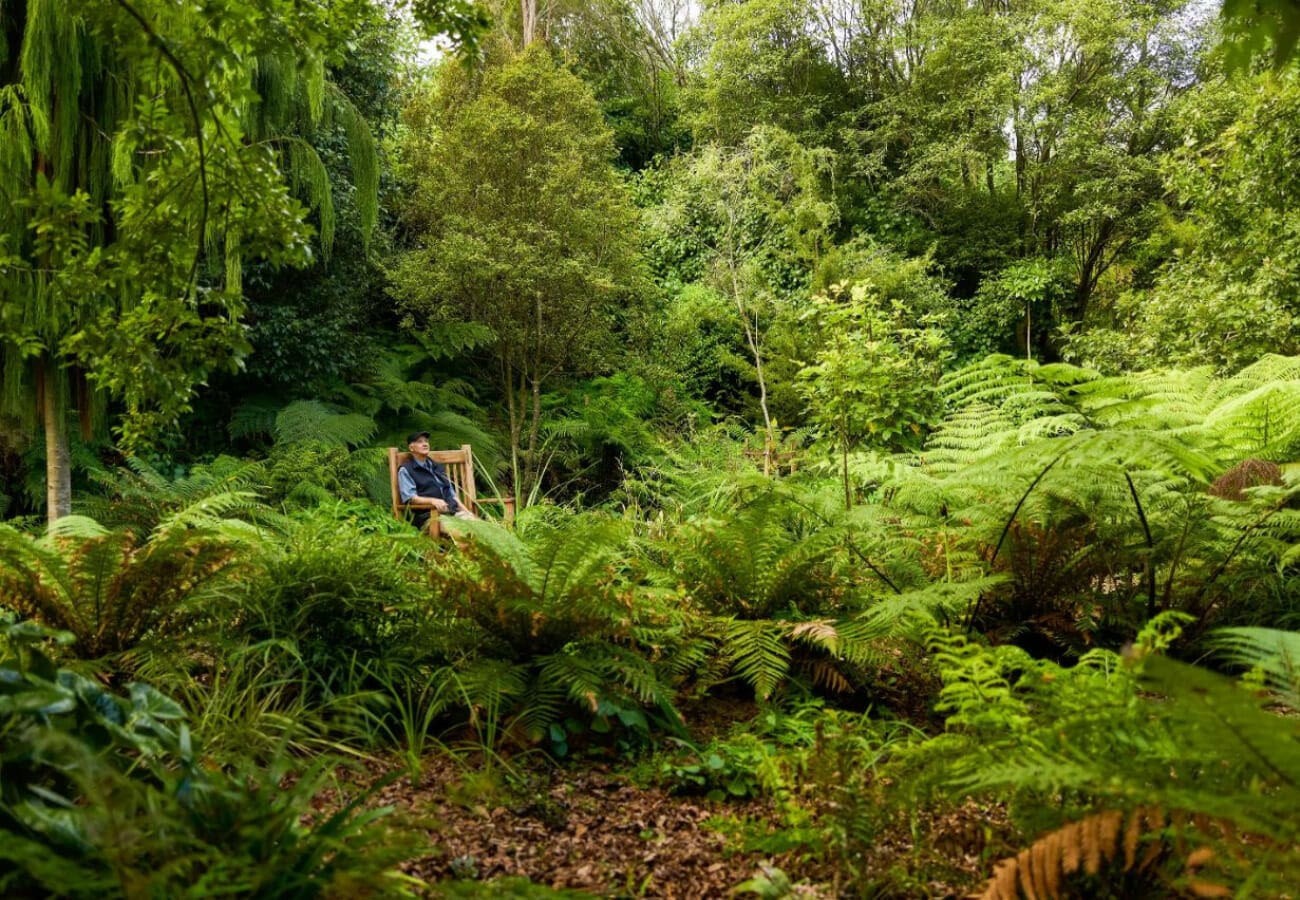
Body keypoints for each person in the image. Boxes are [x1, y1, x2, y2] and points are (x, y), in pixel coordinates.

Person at [397, 431, 478, 531]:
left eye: (426, 441)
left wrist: (467, 512)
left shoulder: (437, 467)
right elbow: (410, 497)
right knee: (460, 530)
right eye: (420, 442)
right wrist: (432, 500)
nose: (425, 444)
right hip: (429, 517)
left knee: (479, 527)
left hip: (452, 513)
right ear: (411, 448)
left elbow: (452, 495)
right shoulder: (406, 470)